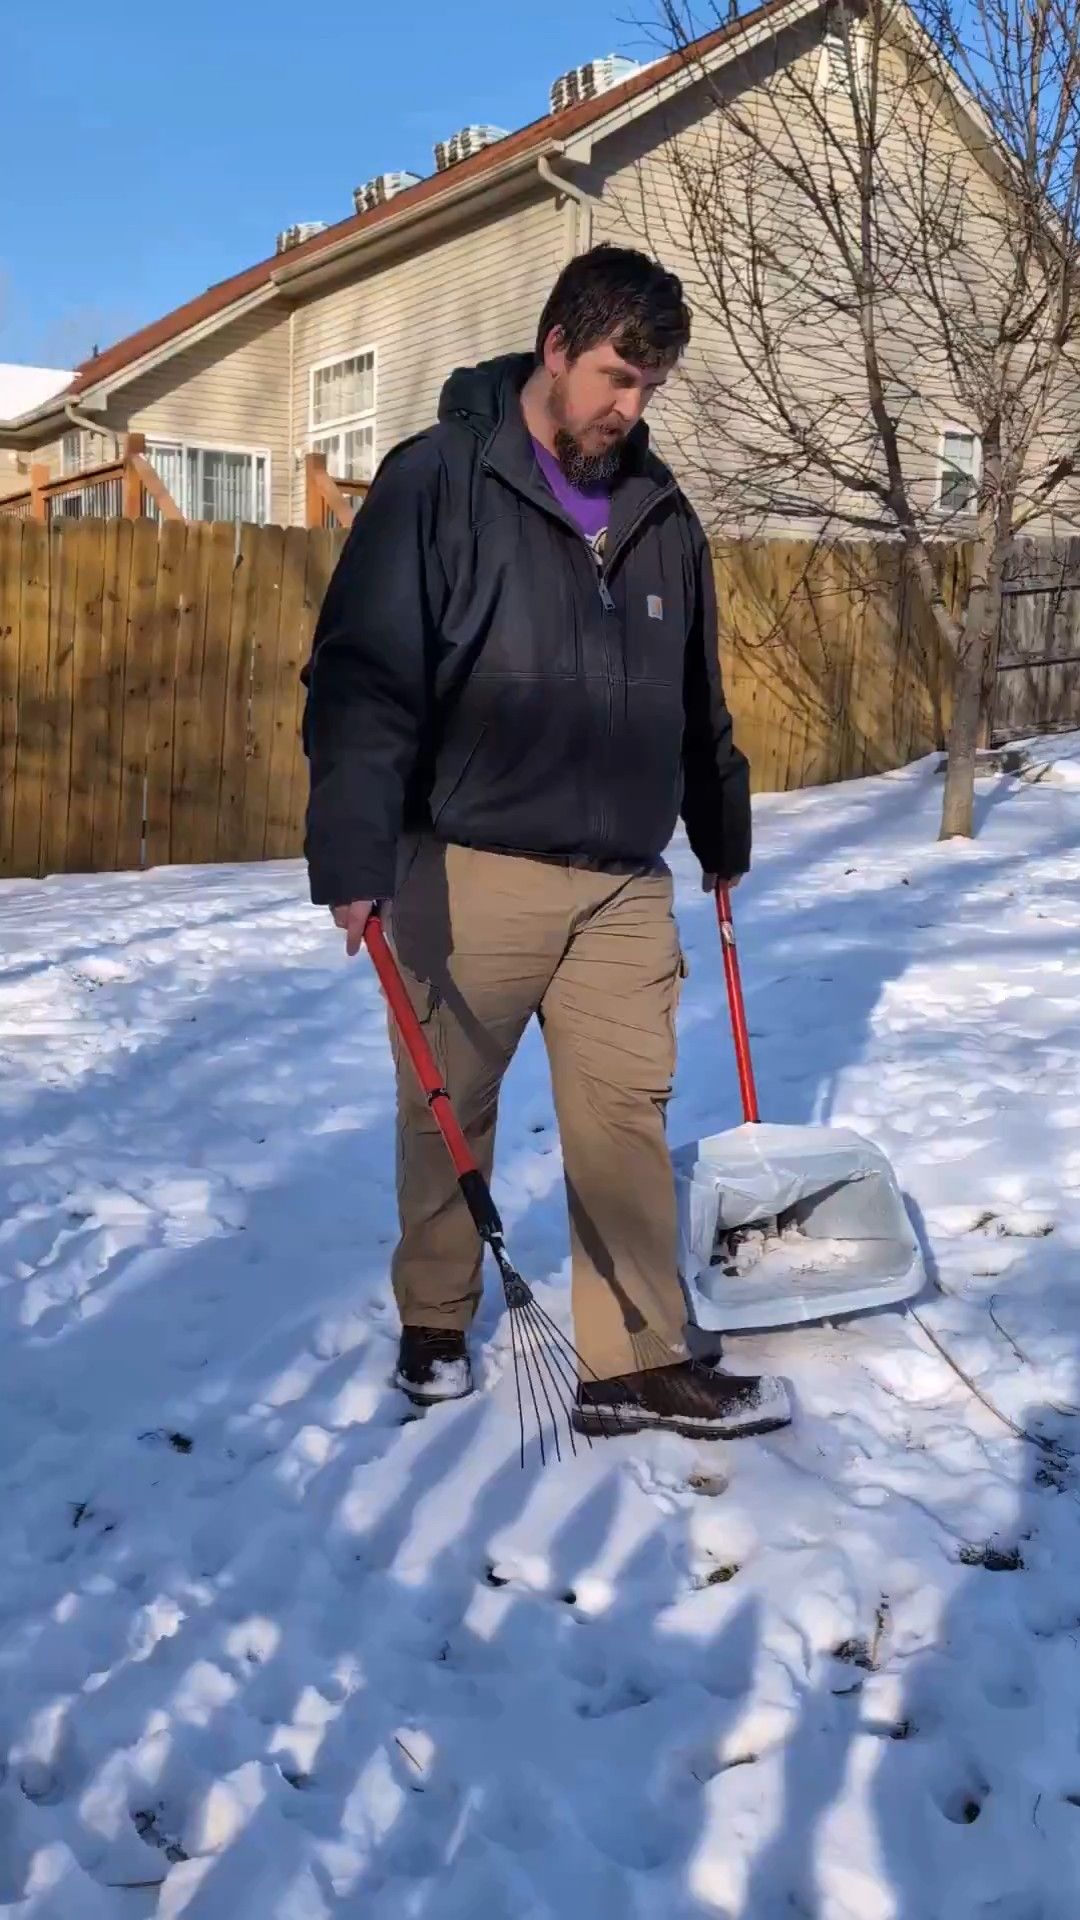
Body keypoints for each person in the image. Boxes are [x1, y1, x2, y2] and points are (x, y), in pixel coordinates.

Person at [301, 243, 791, 1442]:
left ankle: (634, 1361)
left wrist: (719, 820)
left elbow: (696, 697)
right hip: (469, 865)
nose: (630, 411)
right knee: (449, 1108)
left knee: (625, 1115)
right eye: (618, 379)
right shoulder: (438, 484)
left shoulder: (662, 517)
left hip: (622, 881)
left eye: (649, 390)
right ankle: (433, 1319)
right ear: (556, 346)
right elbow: (363, 681)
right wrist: (355, 852)